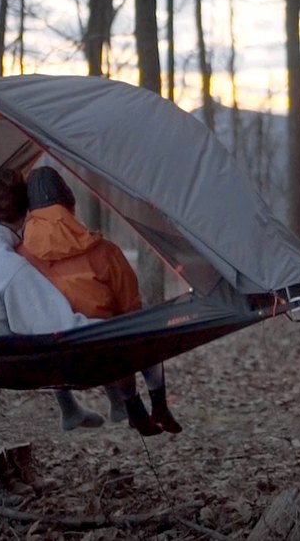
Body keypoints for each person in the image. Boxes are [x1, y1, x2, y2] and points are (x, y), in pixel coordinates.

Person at [0, 167, 107, 431]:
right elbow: (63, 328)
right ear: (26, 210)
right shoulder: (13, 270)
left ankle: (71, 409)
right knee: (64, 329)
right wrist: (118, 327)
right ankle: (119, 403)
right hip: (2, 358)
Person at [20, 166, 183, 436]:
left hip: (58, 357)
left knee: (113, 337)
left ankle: (133, 408)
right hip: (106, 349)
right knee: (136, 331)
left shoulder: (20, 257)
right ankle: (152, 405)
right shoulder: (104, 253)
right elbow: (130, 308)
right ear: (69, 204)